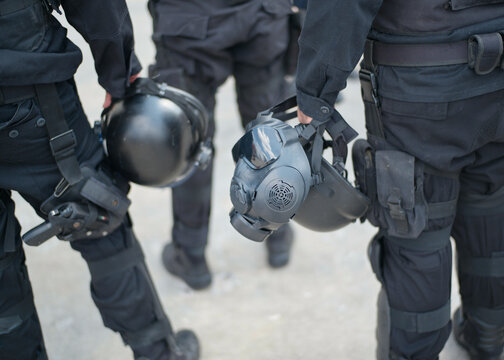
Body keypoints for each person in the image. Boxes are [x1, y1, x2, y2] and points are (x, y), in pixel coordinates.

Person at [296, 1, 504, 359]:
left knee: (418, 233)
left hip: (425, 87)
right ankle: (488, 340)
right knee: (491, 208)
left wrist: (315, 94)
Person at [0, 0, 199, 359]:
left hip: (28, 94)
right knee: (100, 221)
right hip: (31, 101)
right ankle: (158, 353)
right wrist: (120, 74)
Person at [148, 0, 295, 290]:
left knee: (193, 142)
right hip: (260, 14)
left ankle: (191, 255)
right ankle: (277, 236)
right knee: (266, 134)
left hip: (189, 19)